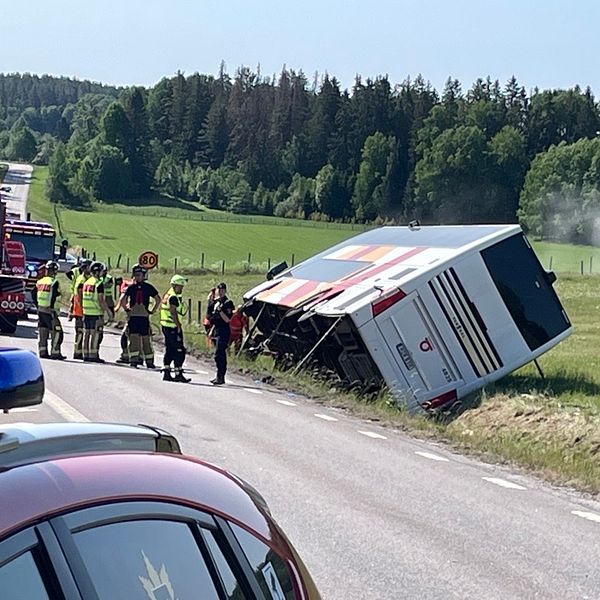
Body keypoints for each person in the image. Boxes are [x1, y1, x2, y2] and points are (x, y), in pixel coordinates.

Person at [119, 264, 161, 368]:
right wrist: (151, 311)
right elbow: (158, 299)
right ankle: (139, 360)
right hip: (140, 317)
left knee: (143, 340)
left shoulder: (132, 287)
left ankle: (145, 361)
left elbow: (122, 300)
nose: (138, 277)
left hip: (137, 317)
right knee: (136, 340)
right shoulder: (146, 287)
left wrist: (127, 309)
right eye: (137, 275)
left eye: (139, 275)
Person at [160, 274, 191, 383]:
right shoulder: (173, 297)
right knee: (179, 350)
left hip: (166, 326)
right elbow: (173, 312)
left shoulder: (168, 294)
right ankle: (178, 373)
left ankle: (167, 372)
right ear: (174, 285)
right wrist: (178, 326)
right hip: (172, 327)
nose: (181, 289)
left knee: (169, 349)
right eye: (180, 286)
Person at [33, 261, 65, 359]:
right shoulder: (54, 282)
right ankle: (55, 353)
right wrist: (51, 308)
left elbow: (33, 293)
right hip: (50, 310)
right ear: (54, 271)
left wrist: (37, 305)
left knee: (43, 330)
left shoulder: (40, 281)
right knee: (57, 331)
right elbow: (54, 296)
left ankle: (43, 352)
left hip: (41, 310)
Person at [81, 261, 109, 363]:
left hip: (86, 312)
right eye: (101, 271)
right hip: (96, 313)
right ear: (97, 272)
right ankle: (93, 355)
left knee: (86, 334)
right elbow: (101, 300)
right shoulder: (99, 283)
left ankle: (86, 354)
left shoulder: (87, 282)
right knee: (95, 334)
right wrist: (108, 312)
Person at [209, 282, 234, 385]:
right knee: (217, 355)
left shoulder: (228, 303)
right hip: (217, 329)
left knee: (220, 353)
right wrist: (211, 330)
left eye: (222, 290)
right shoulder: (216, 302)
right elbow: (213, 318)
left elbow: (227, 319)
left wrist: (220, 310)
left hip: (224, 330)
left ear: (225, 291)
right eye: (219, 290)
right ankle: (218, 376)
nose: (220, 292)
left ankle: (221, 376)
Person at [70, 259, 91, 360]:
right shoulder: (82, 280)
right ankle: (78, 352)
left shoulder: (82, 278)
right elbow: (79, 295)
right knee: (80, 332)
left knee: (81, 332)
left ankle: (79, 351)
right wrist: (83, 308)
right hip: (80, 311)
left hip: (79, 310)